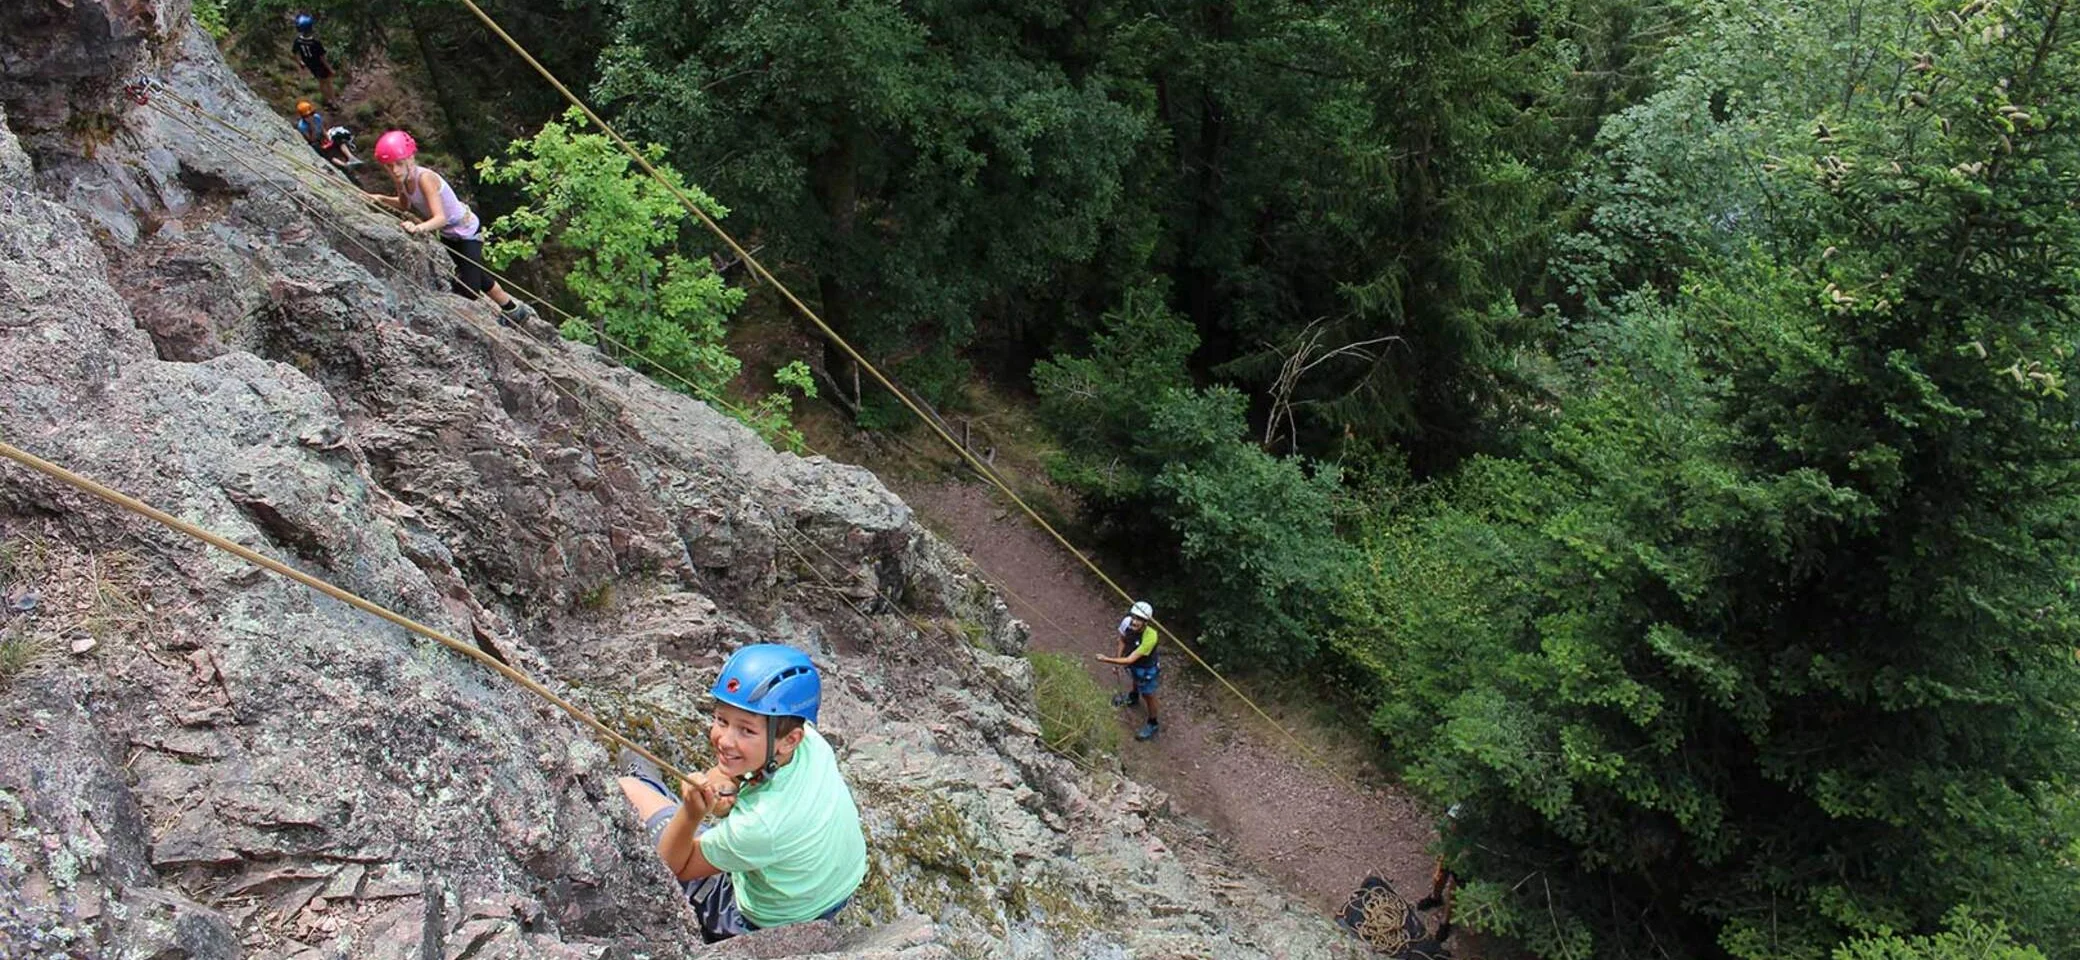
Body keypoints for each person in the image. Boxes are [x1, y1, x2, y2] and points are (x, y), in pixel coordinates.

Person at [615, 644, 868, 942]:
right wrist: (725, 782)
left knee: (628, 789)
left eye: (746, 730)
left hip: (753, 921)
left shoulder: (759, 826)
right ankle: (651, 782)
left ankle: (644, 780)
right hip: (826, 894)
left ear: (789, 740)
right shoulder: (810, 743)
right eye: (722, 720)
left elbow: (671, 867)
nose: (725, 740)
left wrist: (691, 813)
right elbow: (730, 774)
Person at [361, 130, 540, 328]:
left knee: (469, 289)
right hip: (450, 234)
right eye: (389, 166)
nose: (395, 170)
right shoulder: (402, 180)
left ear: (411, 158)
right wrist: (381, 198)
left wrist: (418, 228)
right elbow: (404, 205)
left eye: (399, 163)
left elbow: (440, 218)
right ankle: (514, 310)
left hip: (467, 231)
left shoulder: (424, 179)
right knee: (474, 274)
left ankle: (510, 313)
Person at [1096, 600, 1161, 741]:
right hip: (1134, 664)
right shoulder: (1127, 623)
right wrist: (1118, 660)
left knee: (1148, 694)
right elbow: (1122, 640)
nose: (1135, 622)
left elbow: (1131, 659)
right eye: (1134, 617)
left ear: (1146, 622)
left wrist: (1107, 659)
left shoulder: (1151, 636)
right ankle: (1133, 697)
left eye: (1140, 619)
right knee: (1134, 678)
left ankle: (1153, 722)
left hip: (1147, 668)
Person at [290, 15, 335, 105]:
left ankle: (326, 100)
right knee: (328, 83)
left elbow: (295, 53)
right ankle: (332, 101)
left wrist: (300, 62)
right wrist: (330, 69)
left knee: (320, 81)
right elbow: (322, 58)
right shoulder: (315, 42)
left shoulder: (298, 41)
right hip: (320, 65)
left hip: (310, 65)